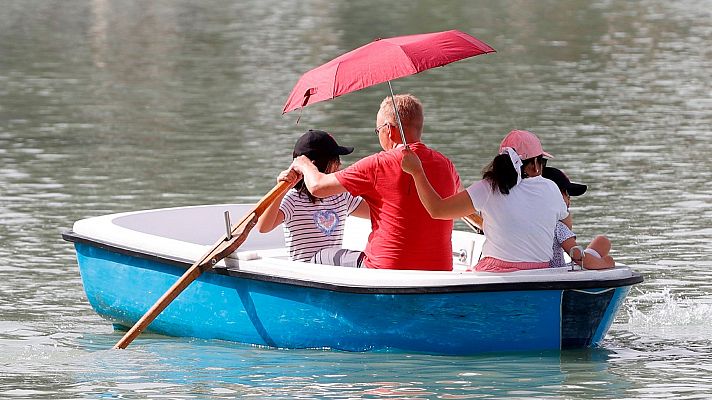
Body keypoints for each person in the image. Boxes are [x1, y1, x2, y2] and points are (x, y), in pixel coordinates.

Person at [290, 94, 461, 270]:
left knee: (321, 256)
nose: (379, 135)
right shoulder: (446, 164)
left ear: (388, 129)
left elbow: (318, 186)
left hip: (385, 269)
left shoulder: (377, 164)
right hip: (440, 269)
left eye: (378, 131)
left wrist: (303, 163)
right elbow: (463, 206)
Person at [401, 129, 568, 272]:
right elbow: (566, 224)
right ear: (534, 165)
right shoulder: (551, 188)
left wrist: (417, 172)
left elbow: (437, 210)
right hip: (541, 272)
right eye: (542, 161)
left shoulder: (489, 187)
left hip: (494, 273)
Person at [256, 129, 369, 264]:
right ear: (315, 166)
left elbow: (375, 212)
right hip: (307, 272)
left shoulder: (341, 196)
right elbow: (263, 227)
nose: (340, 165)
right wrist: (282, 189)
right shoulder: (293, 199)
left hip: (333, 270)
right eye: (335, 160)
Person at [542, 167, 615, 269]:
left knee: (602, 241)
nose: (569, 198)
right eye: (566, 193)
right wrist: (606, 263)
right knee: (602, 245)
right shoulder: (558, 226)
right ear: (554, 196)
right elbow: (578, 257)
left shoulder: (532, 221)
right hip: (555, 271)